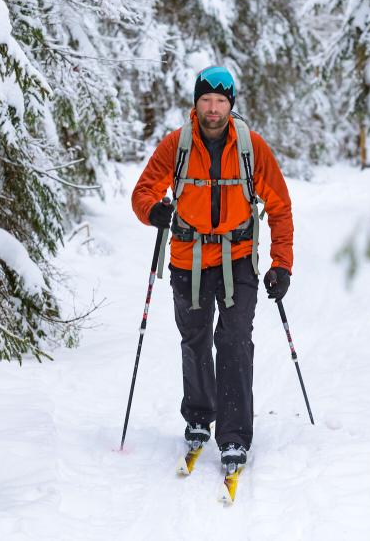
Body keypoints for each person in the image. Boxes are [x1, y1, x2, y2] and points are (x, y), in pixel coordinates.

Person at [131, 66, 293, 472]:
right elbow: (143, 191)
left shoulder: (252, 147)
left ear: (231, 104)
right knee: (196, 340)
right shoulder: (177, 145)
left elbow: (280, 207)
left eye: (221, 101)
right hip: (189, 259)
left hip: (238, 259)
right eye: (206, 101)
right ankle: (200, 416)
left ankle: (235, 436)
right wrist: (154, 211)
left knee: (236, 341)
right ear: (196, 103)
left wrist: (282, 264)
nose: (214, 109)